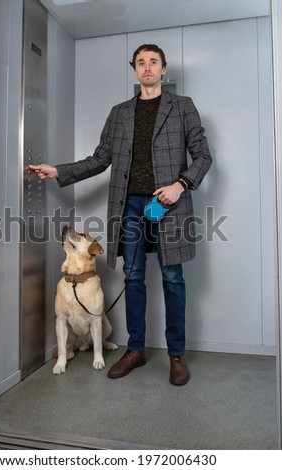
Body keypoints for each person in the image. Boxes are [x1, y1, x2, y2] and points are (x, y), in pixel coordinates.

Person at [30, 44, 212, 385]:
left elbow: (203, 155)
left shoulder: (183, 107)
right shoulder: (120, 113)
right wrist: (58, 171)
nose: (147, 68)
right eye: (140, 63)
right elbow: (100, 159)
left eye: (153, 62)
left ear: (163, 69)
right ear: (134, 70)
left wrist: (181, 184)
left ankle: (176, 356)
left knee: (173, 278)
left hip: (169, 205)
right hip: (129, 206)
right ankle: (136, 350)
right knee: (133, 277)